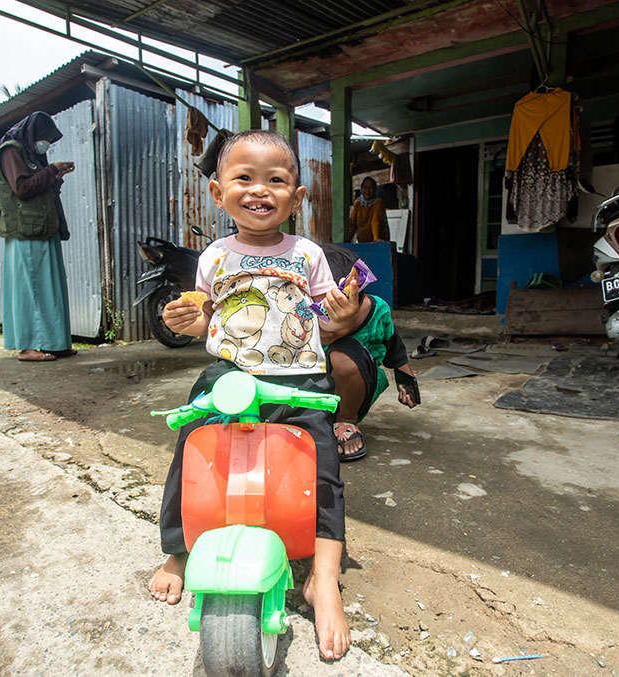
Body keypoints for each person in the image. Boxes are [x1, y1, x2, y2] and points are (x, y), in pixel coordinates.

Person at [147, 130, 360, 661]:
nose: (259, 190)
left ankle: (324, 579)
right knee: (191, 453)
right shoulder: (214, 257)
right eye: (244, 178)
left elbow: (332, 319)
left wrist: (344, 315)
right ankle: (178, 551)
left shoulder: (308, 254)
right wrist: (187, 319)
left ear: (297, 197)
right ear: (218, 193)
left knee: (324, 470)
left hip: (303, 381)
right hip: (230, 379)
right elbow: (204, 319)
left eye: (276, 180)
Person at [319, 244, 419, 460]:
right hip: (314, 386)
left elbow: (395, 348)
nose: (321, 324)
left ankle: (346, 422)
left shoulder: (377, 312)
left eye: (329, 314)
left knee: (343, 355)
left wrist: (407, 381)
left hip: (354, 386)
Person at [0, 111, 77, 362]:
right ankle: (28, 346)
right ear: (33, 133)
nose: (47, 145)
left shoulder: (34, 155)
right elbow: (22, 188)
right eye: (45, 139)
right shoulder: (11, 151)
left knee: (51, 288)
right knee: (31, 289)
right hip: (25, 231)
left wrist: (56, 176)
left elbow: (41, 188)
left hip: (43, 228)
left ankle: (56, 343)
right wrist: (51, 169)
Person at [346, 176, 390, 243]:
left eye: (370, 188)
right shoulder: (357, 203)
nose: (367, 190)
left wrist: (376, 239)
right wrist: (347, 240)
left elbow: (375, 221)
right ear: (361, 189)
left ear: (375, 189)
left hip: (377, 242)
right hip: (363, 243)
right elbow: (352, 224)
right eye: (365, 187)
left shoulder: (378, 203)